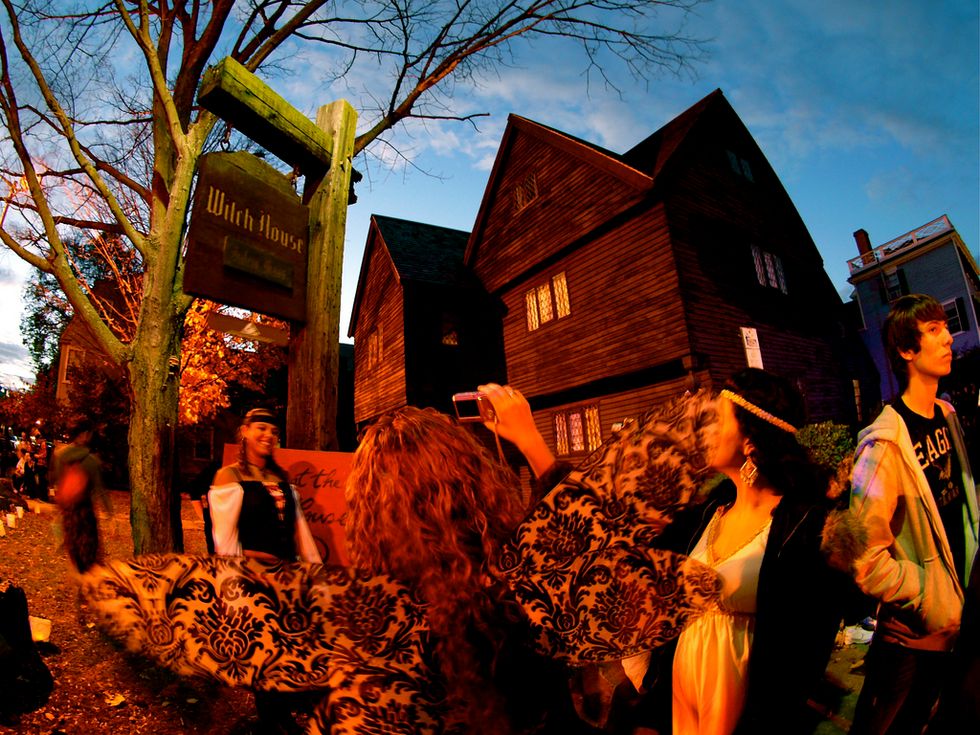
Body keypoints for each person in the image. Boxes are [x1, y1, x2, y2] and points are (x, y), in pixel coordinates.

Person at [480, 371, 853, 734]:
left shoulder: (806, 528)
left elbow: (803, 650)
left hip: (747, 712)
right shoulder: (707, 514)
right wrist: (529, 441)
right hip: (680, 704)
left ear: (750, 442)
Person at [849, 294, 978, 735]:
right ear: (907, 350)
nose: (948, 338)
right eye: (933, 330)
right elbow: (864, 558)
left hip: (960, 615)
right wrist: (925, 594)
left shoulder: (947, 415)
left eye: (946, 327)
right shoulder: (882, 445)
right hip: (916, 633)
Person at [208, 408, 320, 564]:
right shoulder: (229, 476)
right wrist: (233, 572)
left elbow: (301, 534)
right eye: (261, 428)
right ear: (245, 431)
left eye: (274, 432)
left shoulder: (281, 478)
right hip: (250, 570)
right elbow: (224, 539)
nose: (269, 435)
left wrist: (313, 568)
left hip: (286, 572)